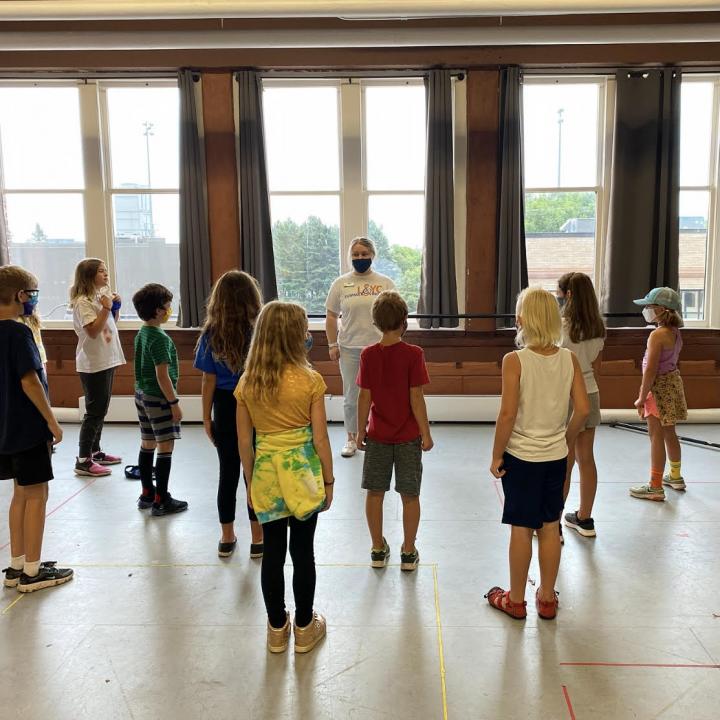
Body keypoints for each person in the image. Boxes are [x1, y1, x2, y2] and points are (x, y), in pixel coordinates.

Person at [236, 301, 333, 654]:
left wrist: (249, 482)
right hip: (303, 475)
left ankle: (277, 628)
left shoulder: (248, 382)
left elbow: (244, 441)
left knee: (272, 553)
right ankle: (306, 627)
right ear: (296, 336)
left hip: (265, 476)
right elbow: (320, 438)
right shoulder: (309, 380)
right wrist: (329, 480)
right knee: (303, 552)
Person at [487, 287, 589, 621]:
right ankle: (547, 597)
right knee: (550, 526)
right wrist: (566, 438)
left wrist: (496, 455)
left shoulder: (514, 361)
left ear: (521, 321)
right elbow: (583, 409)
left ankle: (515, 600)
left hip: (521, 457)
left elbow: (507, 414)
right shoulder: (568, 359)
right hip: (554, 457)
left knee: (520, 527)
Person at [0, 265, 73, 593]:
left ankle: (17, 564)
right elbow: (29, 380)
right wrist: (51, 420)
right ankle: (32, 571)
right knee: (37, 494)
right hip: (27, 425)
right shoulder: (18, 333)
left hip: (5, 428)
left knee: (19, 493)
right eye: (32, 292)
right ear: (19, 295)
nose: (34, 299)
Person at [356, 290, 433, 571]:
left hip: (377, 436)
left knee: (374, 493)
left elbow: (364, 396)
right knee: (410, 495)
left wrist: (359, 431)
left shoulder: (368, 355)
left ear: (375, 322)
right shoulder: (414, 354)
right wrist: (426, 433)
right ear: (404, 321)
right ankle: (409, 551)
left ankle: (377, 548)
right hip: (408, 437)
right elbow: (416, 397)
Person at [194, 270, 264, 558]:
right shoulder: (259, 330)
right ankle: (258, 538)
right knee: (255, 473)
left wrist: (206, 417)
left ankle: (227, 536)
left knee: (228, 472)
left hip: (224, 404)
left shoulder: (212, 333)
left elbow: (208, 379)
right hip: (255, 401)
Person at [325, 237, 396, 458]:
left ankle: (380, 435)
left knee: (384, 393)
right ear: (350, 257)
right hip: (349, 348)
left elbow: (396, 313)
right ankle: (351, 438)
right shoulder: (341, 283)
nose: (360, 258)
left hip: (380, 348)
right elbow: (331, 315)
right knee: (351, 395)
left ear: (372, 255)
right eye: (355, 254)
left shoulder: (385, 283)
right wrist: (332, 344)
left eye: (364, 254)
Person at [557, 272, 606, 539]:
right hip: (591, 394)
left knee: (564, 459)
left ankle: (554, 522)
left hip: (566, 397)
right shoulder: (598, 326)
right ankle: (585, 518)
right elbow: (598, 369)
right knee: (587, 458)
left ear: (569, 294)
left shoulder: (561, 327)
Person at [132, 283, 187, 516]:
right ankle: (161, 499)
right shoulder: (160, 339)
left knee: (148, 443)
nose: (169, 310)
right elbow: (162, 374)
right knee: (166, 445)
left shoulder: (142, 332)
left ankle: (147, 492)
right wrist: (174, 403)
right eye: (167, 306)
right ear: (157, 311)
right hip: (159, 398)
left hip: (142, 395)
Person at [629, 287, 688, 501]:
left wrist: (642, 397)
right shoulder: (675, 332)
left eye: (650, 307)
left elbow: (651, 370)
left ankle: (655, 486)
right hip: (671, 384)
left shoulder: (657, 335)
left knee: (655, 436)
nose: (646, 310)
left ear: (662, 310)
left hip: (657, 388)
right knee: (670, 433)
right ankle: (675, 476)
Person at [69, 258, 125, 478]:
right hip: (93, 363)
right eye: (101, 271)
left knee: (102, 408)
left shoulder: (99, 298)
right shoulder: (83, 302)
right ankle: (83, 460)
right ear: (89, 276)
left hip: (106, 358)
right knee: (94, 411)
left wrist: (114, 308)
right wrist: (105, 307)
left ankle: (95, 451)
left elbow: (109, 325)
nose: (106, 274)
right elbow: (92, 331)